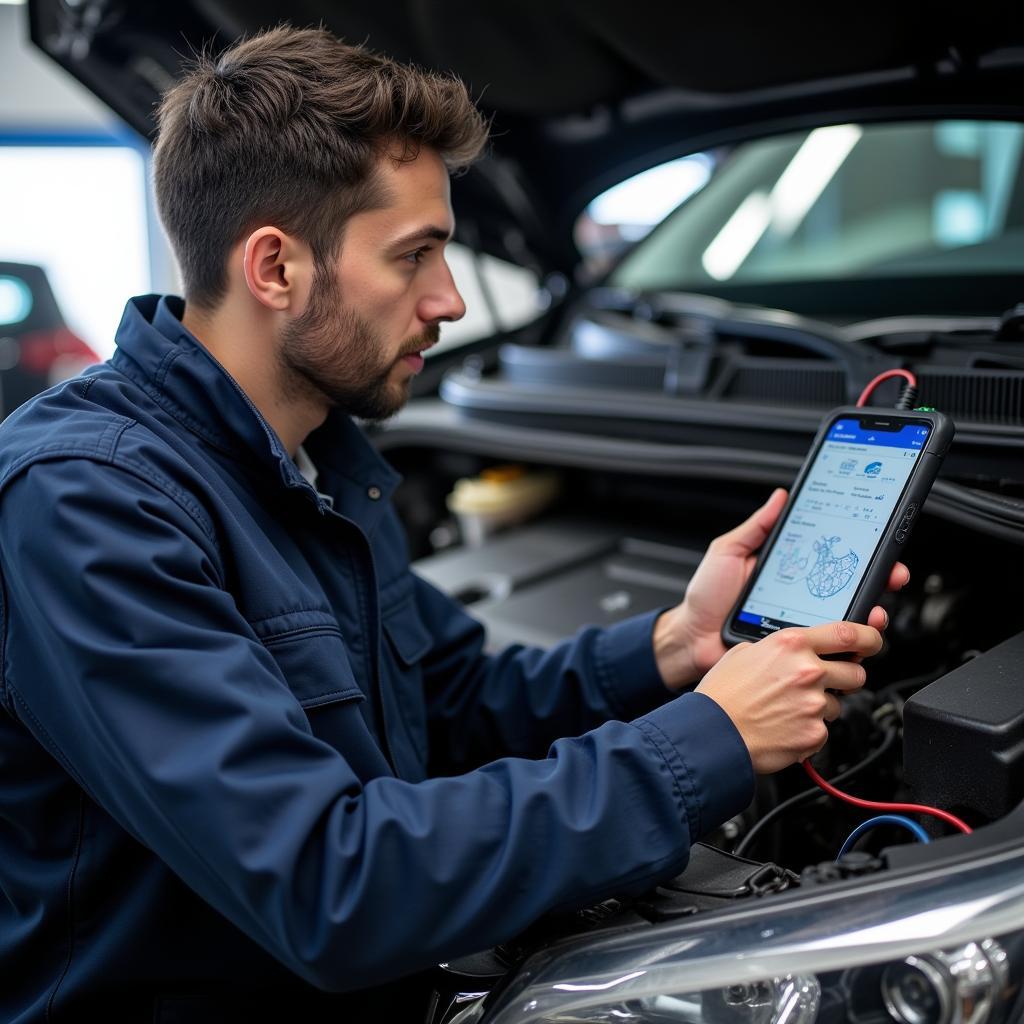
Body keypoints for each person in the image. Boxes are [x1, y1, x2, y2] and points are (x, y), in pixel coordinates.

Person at [0, 26, 902, 1023]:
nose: (451, 298)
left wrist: (668, 648)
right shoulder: (88, 503)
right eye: (415, 254)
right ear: (274, 268)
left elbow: (448, 702)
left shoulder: (319, 458)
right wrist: (709, 739)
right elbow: (331, 885)